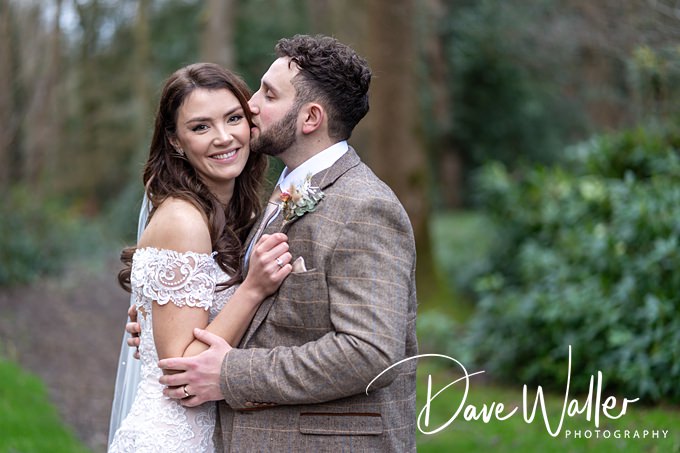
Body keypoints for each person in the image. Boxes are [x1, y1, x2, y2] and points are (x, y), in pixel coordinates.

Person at [129, 34, 418, 451]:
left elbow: (370, 352)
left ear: (310, 118)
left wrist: (231, 373)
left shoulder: (364, 207)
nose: (251, 106)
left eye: (268, 94)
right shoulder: (279, 193)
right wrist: (162, 323)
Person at [108, 62, 293, 452]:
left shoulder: (239, 214)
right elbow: (182, 370)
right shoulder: (183, 221)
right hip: (174, 439)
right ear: (175, 141)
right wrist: (253, 288)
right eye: (200, 127)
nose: (224, 137)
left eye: (233, 118)